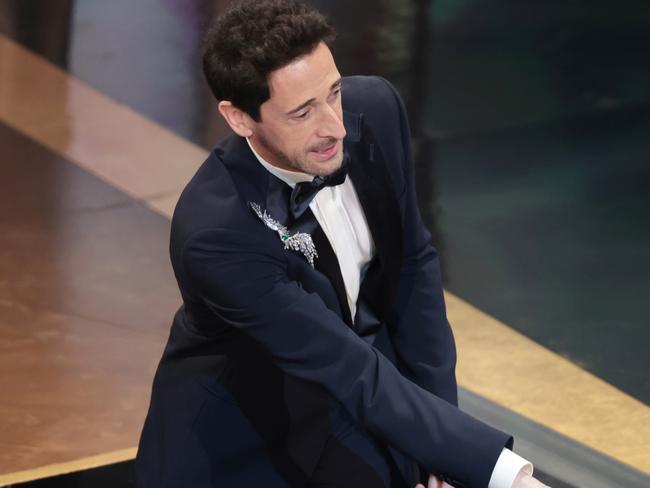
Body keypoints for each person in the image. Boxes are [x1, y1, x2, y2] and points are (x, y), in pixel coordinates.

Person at [135, 1, 550, 487]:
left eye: (332, 91)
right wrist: (507, 477)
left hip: (359, 405)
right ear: (240, 119)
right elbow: (346, 368)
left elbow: (413, 267)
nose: (334, 125)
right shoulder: (216, 234)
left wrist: (443, 452)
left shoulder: (374, 109)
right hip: (248, 445)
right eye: (302, 112)